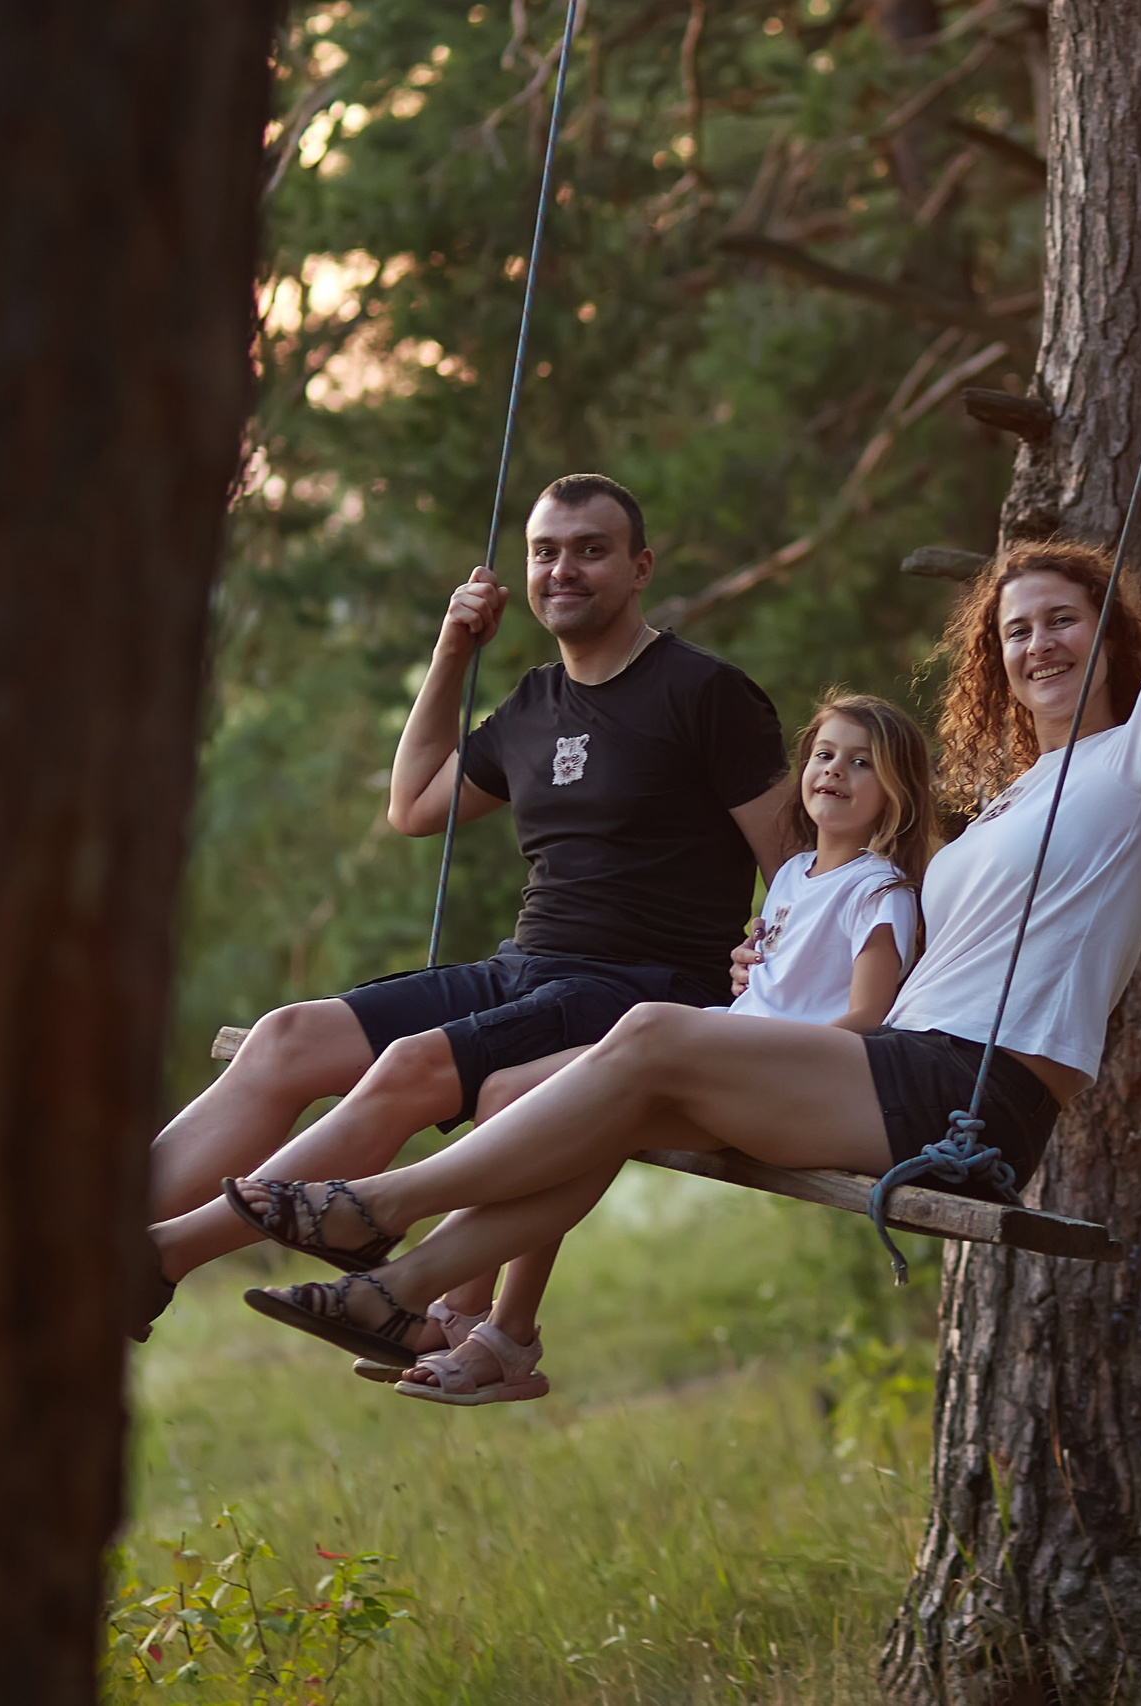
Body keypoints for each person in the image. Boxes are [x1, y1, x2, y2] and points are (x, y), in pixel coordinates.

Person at [230, 269, 1141, 1368]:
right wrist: (782, 950)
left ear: (1114, 637)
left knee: (647, 1034)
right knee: (542, 1087)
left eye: (1063, 623)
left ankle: (378, 1204)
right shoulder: (1007, 802)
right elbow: (891, 936)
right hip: (895, 1054)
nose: (1038, 645)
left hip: (971, 1089)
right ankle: (452, 1313)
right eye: (1016, 630)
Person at [135, 473, 792, 1337]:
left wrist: (776, 979)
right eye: (546, 552)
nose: (565, 569)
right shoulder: (531, 704)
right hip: (527, 968)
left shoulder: (704, 693)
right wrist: (450, 651)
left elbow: (796, 862)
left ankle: (159, 1257)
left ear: (640, 569)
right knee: (285, 1035)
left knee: (409, 1066)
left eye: (591, 550)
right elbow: (415, 806)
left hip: (642, 989)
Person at [384, 691, 938, 1403]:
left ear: (895, 794)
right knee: (506, 1089)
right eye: (824, 755)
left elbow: (868, 1015)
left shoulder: (880, 891)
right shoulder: (796, 875)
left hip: (779, 1080)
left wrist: (771, 1045)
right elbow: (776, 976)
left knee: (585, 1112)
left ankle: (505, 1330)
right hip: (725, 1043)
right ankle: (463, 1308)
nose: (835, 771)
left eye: (862, 764)